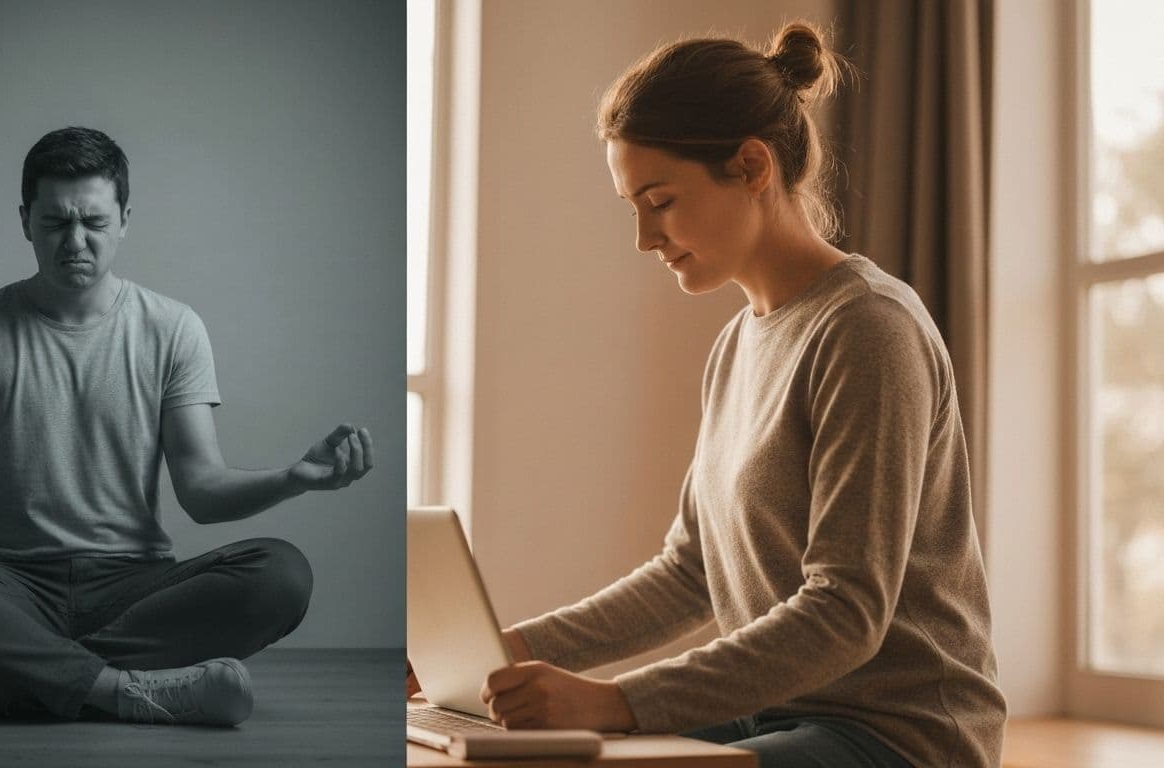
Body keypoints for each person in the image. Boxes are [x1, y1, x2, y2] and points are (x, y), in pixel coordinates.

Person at [408, 22, 1006, 768]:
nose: (643, 237)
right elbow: (689, 574)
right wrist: (498, 657)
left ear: (752, 165)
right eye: (632, 204)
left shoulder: (868, 329)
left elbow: (848, 610)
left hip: (898, 736)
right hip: (777, 715)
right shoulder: (737, 346)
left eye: (660, 200)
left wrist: (618, 700)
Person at [0, 126, 375, 727]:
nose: (75, 241)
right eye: (54, 223)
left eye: (94, 223)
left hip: (134, 588)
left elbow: (203, 492)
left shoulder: (173, 329)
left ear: (125, 219)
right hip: (7, 587)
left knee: (281, 574)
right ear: (25, 221)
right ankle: (119, 688)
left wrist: (293, 478)